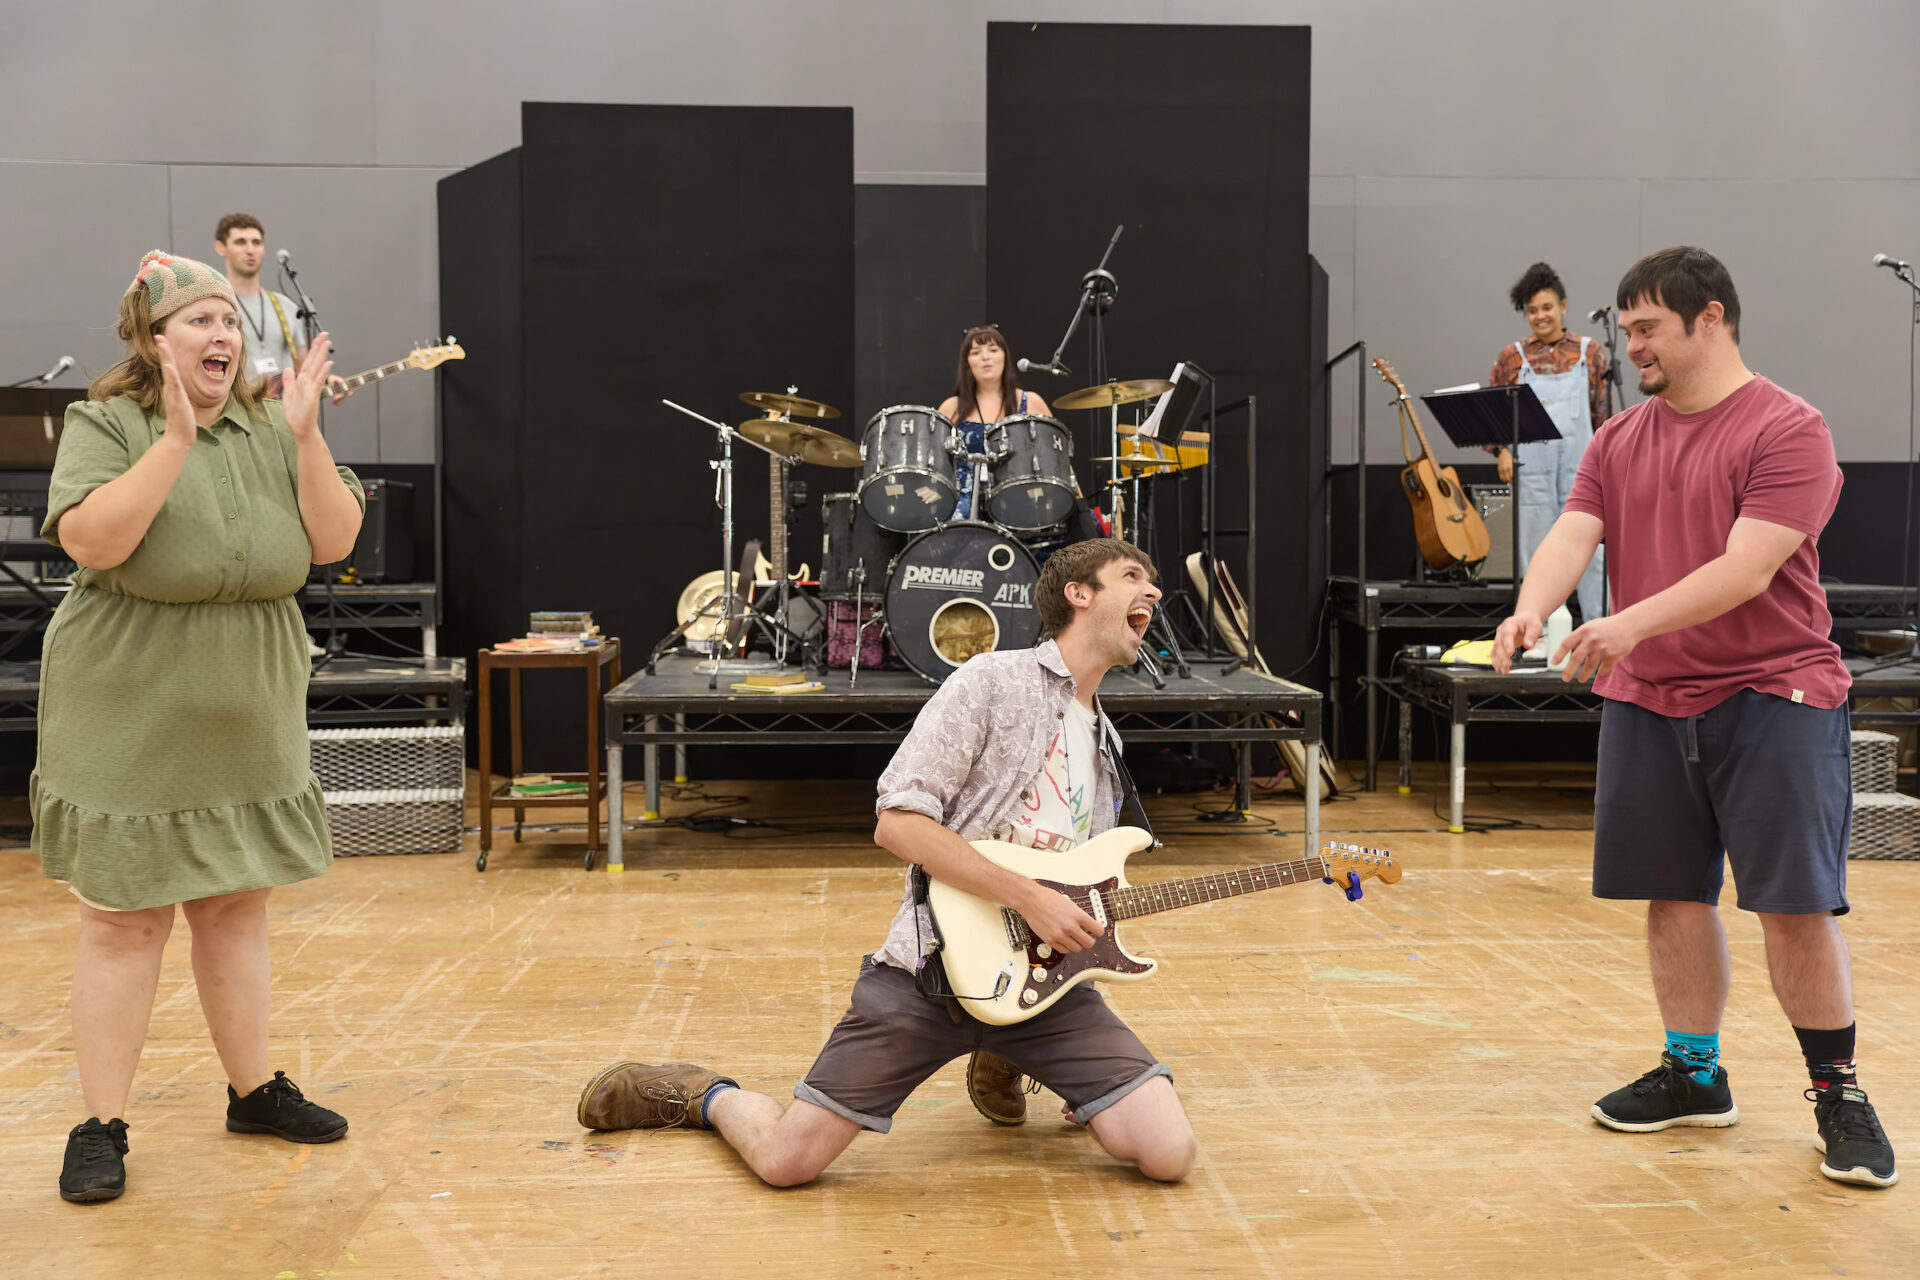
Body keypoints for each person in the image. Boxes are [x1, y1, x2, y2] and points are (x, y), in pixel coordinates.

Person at [576, 538, 1198, 1186]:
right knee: (787, 1162)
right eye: (1132, 576)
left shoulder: (1106, 741)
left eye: (1153, 580)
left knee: (1168, 1152)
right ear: (1079, 594)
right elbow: (898, 822)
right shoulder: (993, 682)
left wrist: (1076, 991)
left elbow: (1073, 887)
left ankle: (1013, 1051)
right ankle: (703, 1095)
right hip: (930, 970)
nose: (1153, 591)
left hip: (1040, 986)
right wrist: (1028, 897)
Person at [1491, 246, 1896, 1189]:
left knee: (1793, 909)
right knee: (1672, 895)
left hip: (1775, 692)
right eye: (1626, 330)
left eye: (1646, 330)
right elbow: (1573, 530)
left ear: (1708, 320)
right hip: (1647, 698)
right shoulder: (1622, 436)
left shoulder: (1790, 428)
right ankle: (1695, 1074)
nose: (1630, 347)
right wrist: (1532, 605)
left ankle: (1836, 1091)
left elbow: (1747, 569)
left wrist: (1621, 623)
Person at [42, 250, 368, 1203]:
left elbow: (333, 543)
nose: (223, 334)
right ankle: (99, 1123)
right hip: (129, 697)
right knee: (125, 919)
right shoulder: (105, 422)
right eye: (200, 321)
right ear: (155, 341)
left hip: (248, 695)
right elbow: (95, 541)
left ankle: (253, 1090)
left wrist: (307, 439)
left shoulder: (275, 428)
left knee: (235, 905)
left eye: (231, 321)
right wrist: (174, 443)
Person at [1484, 262, 1611, 621]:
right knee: (1535, 547)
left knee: (1593, 549)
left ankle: (1599, 628)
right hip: (1532, 469)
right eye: (1532, 310)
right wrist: (1502, 451)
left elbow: (1603, 417)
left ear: (1563, 306)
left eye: (1547, 307)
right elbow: (1493, 414)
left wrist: (1606, 464)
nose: (1540, 316)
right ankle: (1535, 631)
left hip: (1582, 466)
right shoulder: (1512, 358)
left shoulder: (1591, 353)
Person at [212, 213, 351, 404]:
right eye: (240, 242)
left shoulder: (285, 306)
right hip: (237, 414)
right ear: (221, 247)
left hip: (283, 417)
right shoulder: (216, 305)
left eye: (256, 242)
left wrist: (327, 381)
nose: (250, 250)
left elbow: (303, 368)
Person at [937, 326, 1054, 522]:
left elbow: (1056, 459)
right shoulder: (951, 408)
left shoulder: (1031, 402)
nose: (985, 357)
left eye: (993, 349)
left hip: (1022, 501)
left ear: (1004, 356)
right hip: (962, 505)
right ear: (967, 362)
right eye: (976, 352)